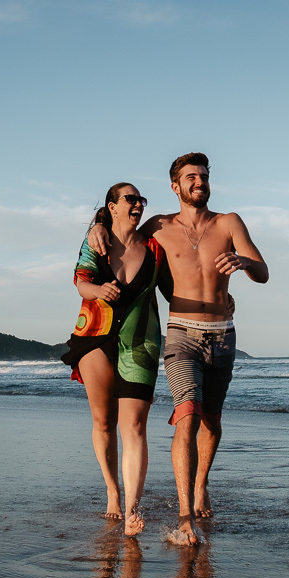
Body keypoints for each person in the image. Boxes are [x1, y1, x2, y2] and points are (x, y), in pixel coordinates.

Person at [89, 152, 268, 545]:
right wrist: (96, 226)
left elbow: (263, 272)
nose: (199, 181)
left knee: (212, 422)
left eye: (204, 176)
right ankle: (185, 515)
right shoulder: (159, 226)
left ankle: (201, 483)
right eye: (191, 177)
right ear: (176, 186)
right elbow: (122, 228)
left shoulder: (229, 223)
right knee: (186, 415)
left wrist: (242, 261)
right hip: (180, 335)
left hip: (223, 335)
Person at [63, 182, 169, 536]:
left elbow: (177, 286)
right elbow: (80, 282)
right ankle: (112, 491)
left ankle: (133, 508)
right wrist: (98, 290)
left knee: (134, 426)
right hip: (95, 334)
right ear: (112, 206)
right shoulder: (97, 239)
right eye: (130, 199)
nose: (138, 204)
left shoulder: (156, 246)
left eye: (141, 200)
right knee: (103, 420)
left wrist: (219, 302)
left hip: (141, 341)